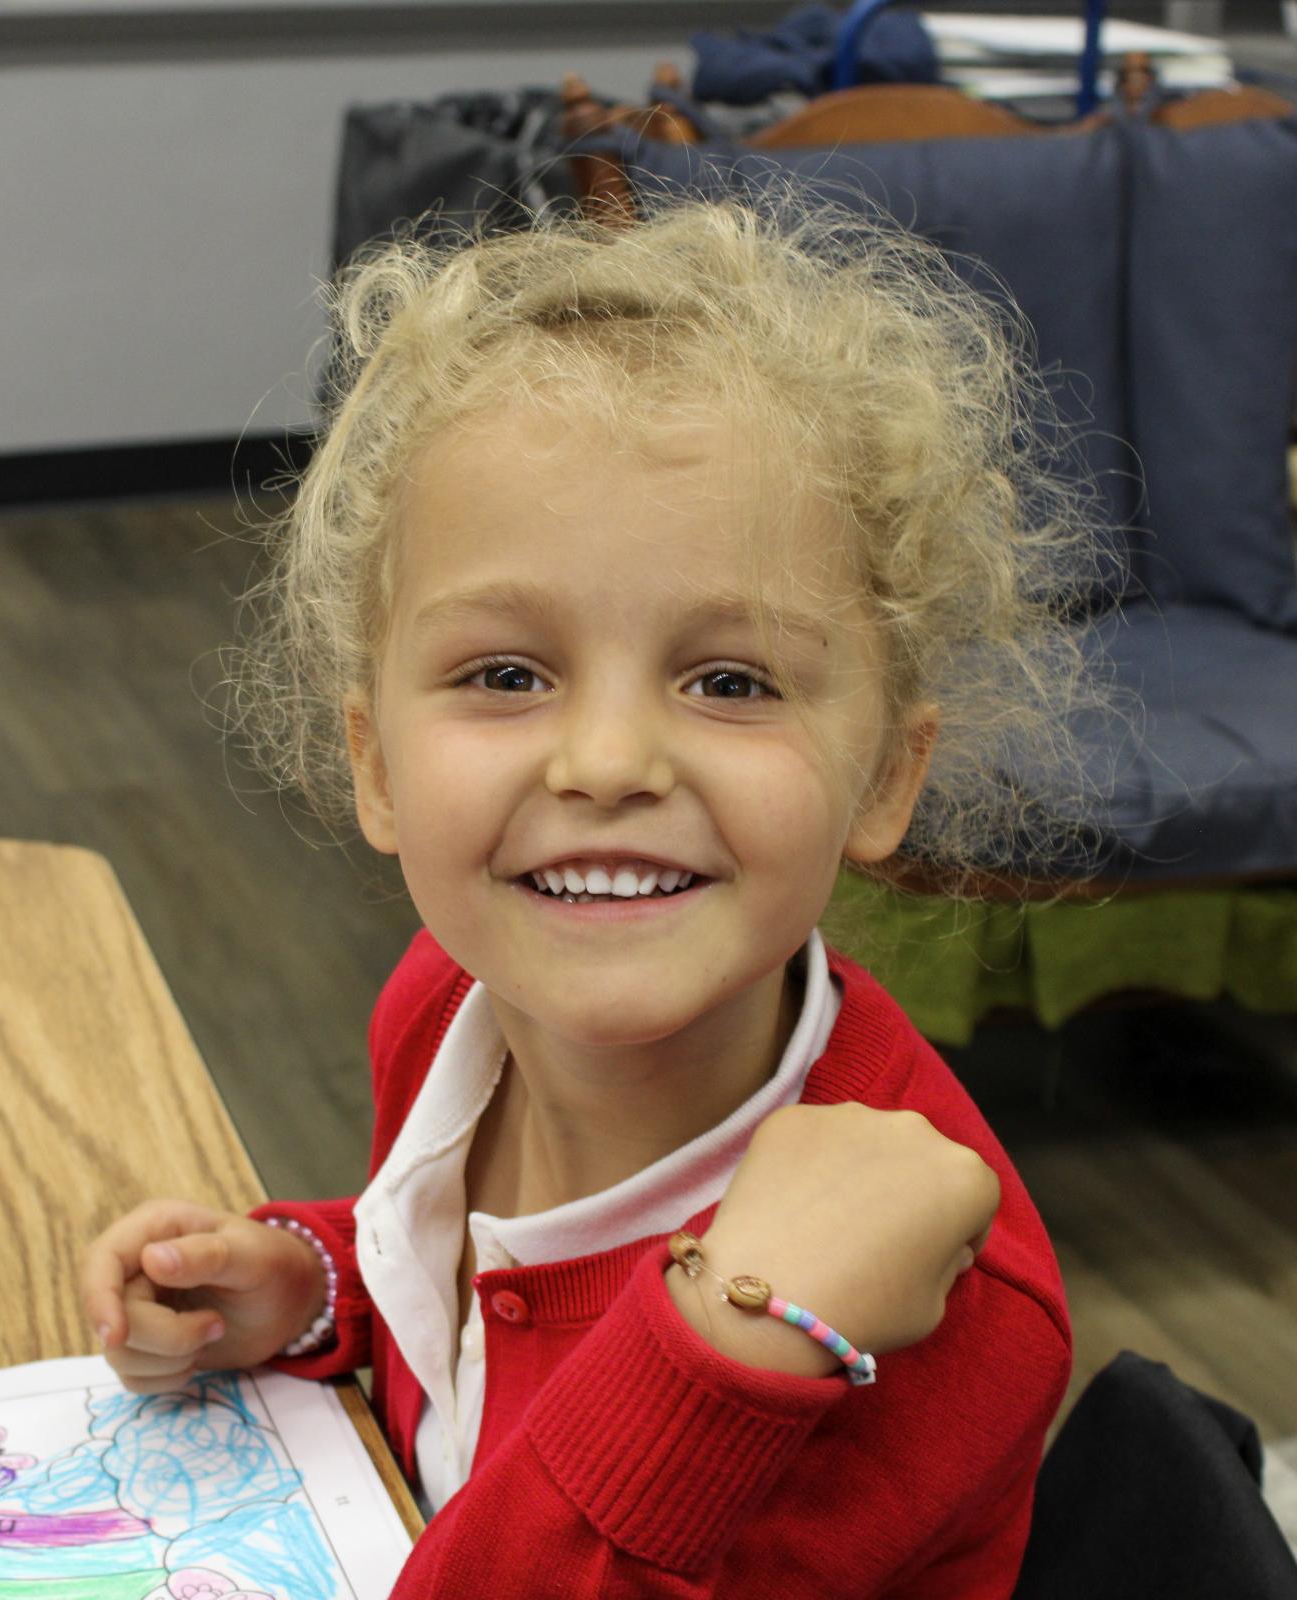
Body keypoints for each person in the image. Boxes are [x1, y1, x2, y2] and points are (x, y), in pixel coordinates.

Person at [82, 193, 1107, 1596]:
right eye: (506, 674)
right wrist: (315, 1285)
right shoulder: (451, 1001)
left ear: (882, 776)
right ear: (376, 767)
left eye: (731, 680)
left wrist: (727, 1361)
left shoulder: (914, 1323)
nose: (611, 761)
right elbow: (472, 1325)